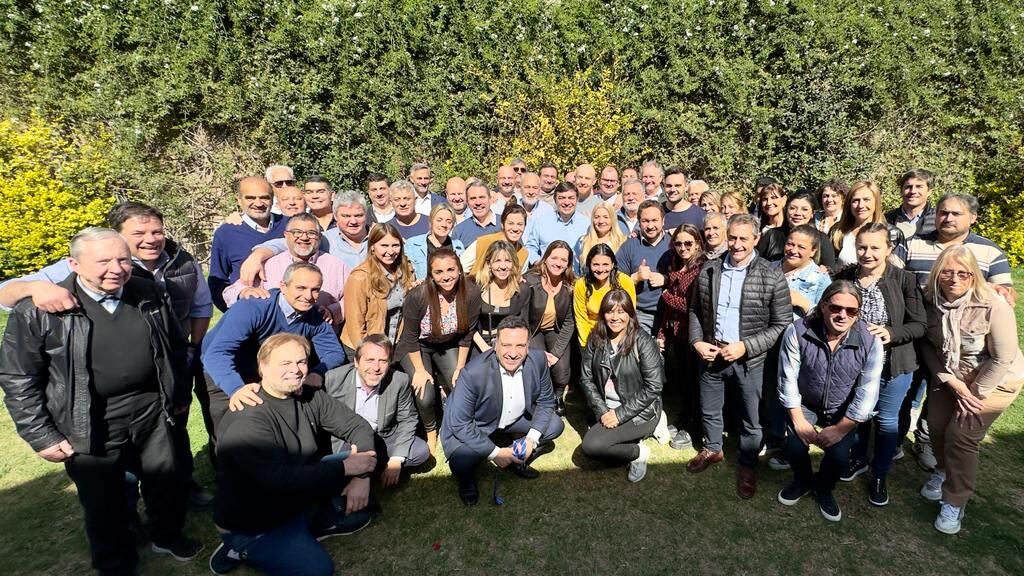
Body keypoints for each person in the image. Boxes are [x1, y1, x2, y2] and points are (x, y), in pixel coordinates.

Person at [0, 228, 198, 574]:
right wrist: (41, 435)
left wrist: (179, 394)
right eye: (103, 261)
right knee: (103, 502)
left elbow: (173, 347)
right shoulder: (40, 310)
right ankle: (115, 561)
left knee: (166, 483)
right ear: (73, 263)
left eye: (122, 259)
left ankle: (166, 534)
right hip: (88, 420)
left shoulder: (146, 291)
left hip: (152, 411)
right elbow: (19, 377)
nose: (116, 268)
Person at [210, 334, 378, 576]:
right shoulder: (248, 419)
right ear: (263, 367)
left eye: (301, 362)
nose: (296, 370)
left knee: (358, 476)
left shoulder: (306, 395)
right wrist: (347, 469)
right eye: (285, 363)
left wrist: (362, 475)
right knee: (318, 569)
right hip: (256, 520)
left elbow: (357, 426)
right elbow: (276, 481)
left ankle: (312, 523)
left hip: (293, 492)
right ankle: (240, 547)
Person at [917, 246, 1024, 534]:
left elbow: (1002, 357)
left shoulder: (992, 303)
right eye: (947, 272)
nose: (954, 279)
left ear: (973, 275)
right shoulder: (929, 300)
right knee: (937, 426)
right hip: (952, 376)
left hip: (995, 380)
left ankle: (955, 500)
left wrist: (974, 395)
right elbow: (927, 344)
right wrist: (952, 383)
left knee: (961, 434)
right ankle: (943, 470)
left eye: (963, 273)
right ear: (938, 274)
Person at [687, 214, 791, 499]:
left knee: (750, 417)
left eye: (743, 238)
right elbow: (695, 310)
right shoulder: (709, 270)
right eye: (732, 237)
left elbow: (781, 323)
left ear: (756, 239)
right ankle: (712, 449)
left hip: (750, 360)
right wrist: (696, 340)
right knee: (709, 407)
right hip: (712, 353)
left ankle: (747, 463)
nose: (736, 244)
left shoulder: (771, 275)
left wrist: (747, 346)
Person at [833, 224, 926, 506]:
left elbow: (920, 324)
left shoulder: (903, 280)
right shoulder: (847, 276)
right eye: (862, 247)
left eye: (875, 247)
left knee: (886, 422)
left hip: (892, 364)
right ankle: (859, 460)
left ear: (888, 249)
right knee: (858, 414)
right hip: (853, 363)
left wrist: (891, 333)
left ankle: (879, 474)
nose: (868, 253)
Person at [202, 262, 348, 439]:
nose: (308, 296)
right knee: (229, 432)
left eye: (315, 289)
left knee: (269, 429)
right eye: (300, 288)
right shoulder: (254, 307)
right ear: (283, 286)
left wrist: (317, 372)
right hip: (222, 368)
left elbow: (334, 352)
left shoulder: (314, 315)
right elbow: (216, 353)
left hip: (266, 373)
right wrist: (236, 388)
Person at [776, 281, 882, 522]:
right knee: (793, 444)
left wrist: (842, 427)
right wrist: (798, 419)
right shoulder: (797, 331)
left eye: (851, 311)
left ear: (858, 313)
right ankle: (802, 481)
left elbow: (868, 390)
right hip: (807, 401)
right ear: (823, 305)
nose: (843, 315)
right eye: (835, 308)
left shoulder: (870, 340)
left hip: (844, 408)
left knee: (840, 455)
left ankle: (824, 487)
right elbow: (788, 377)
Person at [441, 316, 565, 505]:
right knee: (461, 462)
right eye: (506, 345)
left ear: (528, 345)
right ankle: (467, 480)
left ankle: (517, 457)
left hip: (514, 418)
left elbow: (546, 401)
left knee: (555, 425)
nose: (513, 353)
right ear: (495, 345)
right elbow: (460, 423)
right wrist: (495, 453)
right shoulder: (472, 373)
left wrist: (531, 440)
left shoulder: (538, 359)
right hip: (478, 424)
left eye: (520, 346)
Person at [396, 248, 482, 452]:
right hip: (418, 347)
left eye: (451, 270)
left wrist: (460, 366)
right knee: (424, 393)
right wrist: (419, 369)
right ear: (431, 275)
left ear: (459, 270)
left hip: (449, 344)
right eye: (439, 272)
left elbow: (468, 333)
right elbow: (409, 337)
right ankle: (430, 431)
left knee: (461, 384)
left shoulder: (470, 293)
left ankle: (460, 425)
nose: (446, 276)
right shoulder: (418, 296)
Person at [580, 289, 664, 482]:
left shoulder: (643, 341)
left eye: (621, 312)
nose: (615, 317)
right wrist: (602, 411)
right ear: (603, 314)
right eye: (610, 311)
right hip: (608, 409)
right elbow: (586, 379)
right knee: (596, 445)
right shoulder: (596, 338)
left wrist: (619, 415)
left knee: (592, 446)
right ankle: (634, 443)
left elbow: (654, 387)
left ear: (630, 314)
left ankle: (639, 452)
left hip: (640, 411)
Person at [324, 334, 430, 486]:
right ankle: (368, 469)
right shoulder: (333, 380)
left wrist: (396, 460)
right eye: (369, 360)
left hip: (384, 436)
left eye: (383, 361)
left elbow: (408, 419)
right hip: (350, 440)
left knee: (421, 451)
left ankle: (375, 466)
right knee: (341, 465)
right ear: (356, 362)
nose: (376, 368)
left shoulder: (399, 380)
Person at [222, 213, 351, 330]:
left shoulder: (337, 266)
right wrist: (244, 291)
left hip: (322, 342)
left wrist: (334, 311)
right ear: (286, 235)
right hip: (275, 342)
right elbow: (229, 293)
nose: (304, 238)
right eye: (297, 232)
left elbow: (354, 299)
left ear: (319, 237)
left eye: (311, 233)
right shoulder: (269, 265)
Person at [656, 224, 706, 450]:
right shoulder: (674, 266)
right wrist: (661, 333)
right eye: (678, 243)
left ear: (697, 243)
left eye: (688, 243)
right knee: (682, 381)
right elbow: (669, 309)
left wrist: (667, 296)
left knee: (695, 382)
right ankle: (686, 416)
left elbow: (692, 306)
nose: (683, 248)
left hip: (693, 333)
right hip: (674, 332)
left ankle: (695, 425)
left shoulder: (701, 269)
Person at [209, 177, 288, 311]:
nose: (258, 203)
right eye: (250, 198)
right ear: (239, 200)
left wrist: (259, 254)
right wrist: (235, 314)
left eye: (264, 197)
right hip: (249, 314)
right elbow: (217, 282)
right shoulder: (226, 233)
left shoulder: (289, 225)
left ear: (273, 198)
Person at [341, 223, 415, 357]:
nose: (391, 251)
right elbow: (355, 325)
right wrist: (367, 353)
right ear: (373, 247)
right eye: (384, 246)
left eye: (395, 245)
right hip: (365, 346)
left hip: (395, 342)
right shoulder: (360, 277)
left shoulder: (406, 270)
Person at [520, 241, 576, 416]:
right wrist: (529, 345)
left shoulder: (570, 286)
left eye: (563, 260)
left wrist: (556, 353)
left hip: (555, 330)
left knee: (560, 369)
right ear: (545, 258)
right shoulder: (529, 281)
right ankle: (539, 398)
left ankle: (558, 396)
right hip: (532, 331)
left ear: (568, 264)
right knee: (537, 362)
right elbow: (522, 319)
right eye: (554, 258)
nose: (558, 263)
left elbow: (569, 322)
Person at [615, 200, 673, 333]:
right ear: (639, 222)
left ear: (663, 221)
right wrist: (635, 278)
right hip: (639, 314)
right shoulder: (629, 246)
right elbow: (615, 284)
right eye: (645, 221)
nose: (650, 225)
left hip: (669, 313)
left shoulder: (674, 245)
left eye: (655, 220)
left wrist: (666, 279)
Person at [574, 243, 637, 348]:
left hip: (619, 333)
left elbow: (630, 314)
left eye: (605, 264)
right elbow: (581, 319)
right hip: (592, 335)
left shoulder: (624, 281)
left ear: (612, 265)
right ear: (589, 264)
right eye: (596, 264)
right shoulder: (581, 284)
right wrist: (586, 346)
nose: (600, 269)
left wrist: (621, 342)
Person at [829, 180, 904, 266]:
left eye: (866, 200)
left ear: (876, 202)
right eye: (855, 200)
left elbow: (897, 273)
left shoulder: (893, 234)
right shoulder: (837, 232)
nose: (861, 205)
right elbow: (829, 267)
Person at [756, 190, 837, 267]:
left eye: (804, 209)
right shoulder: (771, 235)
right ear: (786, 210)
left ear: (812, 213)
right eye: (792, 208)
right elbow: (756, 265)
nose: (798, 213)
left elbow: (831, 271)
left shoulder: (821, 239)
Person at [473, 240, 527, 353]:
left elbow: (524, 325)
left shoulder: (521, 290)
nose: (503, 266)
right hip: (481, 344)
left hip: (510, 346)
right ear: (489, 264)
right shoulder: (477, 288)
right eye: (497, 261)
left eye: (508, 261)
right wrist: (485, 349)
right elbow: (469, 327)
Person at [524, 181, 591, 264]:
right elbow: (530, 247)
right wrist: (537, 262)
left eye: (571, 198)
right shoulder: (541, 222)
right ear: (555, 200)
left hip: (576, 275)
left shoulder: (586, 224)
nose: (566, 203)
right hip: (547, 274)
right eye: (562, 198)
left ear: (577, 199)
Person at [774, 225, 831, 319]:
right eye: (790, 244)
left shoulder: (821, 279)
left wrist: (804, 304)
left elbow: (826, 318)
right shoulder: (768, 269)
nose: (793, 250)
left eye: (801, 247)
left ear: (813, 251)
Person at [461, 204, 529, 276]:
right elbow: (461, 268)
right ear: (502, 224)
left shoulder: (523, 253)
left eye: (520, 224)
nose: (515, 228)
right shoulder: (483, 243)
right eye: (511, 223)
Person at [405, 203, 466, 280]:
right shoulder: (413, 244)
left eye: (449, 221)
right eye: (439, 220)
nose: (444, 224)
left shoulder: (458, 246)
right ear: (431, 221)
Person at [573, 202, 628, 274]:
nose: (601, 221)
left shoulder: (624, 242)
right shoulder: (582, 242)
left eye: (606, 217)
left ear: (612, 220)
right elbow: (575, 273)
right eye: (597, 217)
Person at [885, 168, 936, 240]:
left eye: (919, 186)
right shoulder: (887, 220)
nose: (913, 191)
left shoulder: (938, 220)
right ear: (901, 190)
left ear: (929, 191)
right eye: (908, 187)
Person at [452, 178, 500, 247]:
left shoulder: (504, 224)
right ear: (467, 202)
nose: (478, 203)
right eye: (473, 198)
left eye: (482, 197)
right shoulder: (459, 231)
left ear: (490, 199)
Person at [662, 166, 706, 232]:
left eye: (677, 186)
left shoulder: (699, 215)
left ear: (686, 187)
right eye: (669, 186)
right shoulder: (656, 211)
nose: (672, 189)